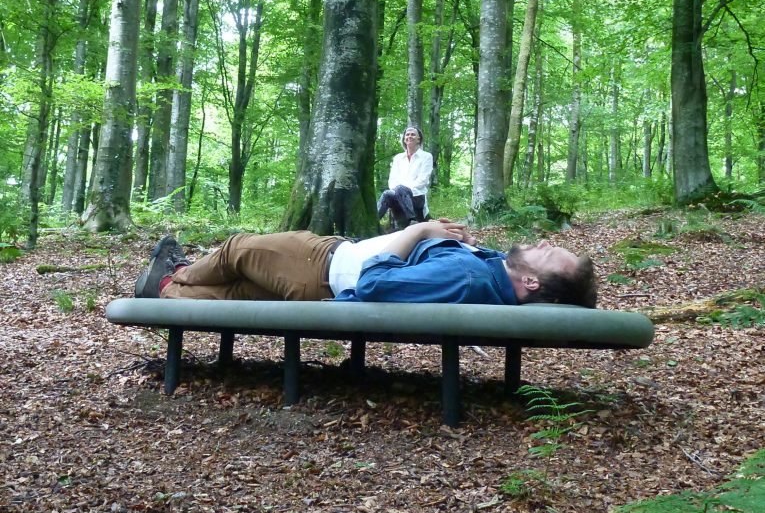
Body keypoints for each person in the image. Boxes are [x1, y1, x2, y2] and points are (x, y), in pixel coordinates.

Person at [134, 221, 597, 308]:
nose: (541, 242)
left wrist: (418, 231)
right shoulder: (489, 272)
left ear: (533, 281)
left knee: (237, 250)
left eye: (550, 252)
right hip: (322, 280)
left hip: (324, 266)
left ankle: (178, 274)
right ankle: (166, 294)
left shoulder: (470, 276)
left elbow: (376, 284)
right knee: (236, 293)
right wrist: (457, 242)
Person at [377, 126, 433, 228]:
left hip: (417, 196)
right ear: (404, 139)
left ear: (418, 139)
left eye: (413, 134)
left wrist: (403, 189)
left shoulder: (426, 156)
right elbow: (392, 180)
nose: (409, 136)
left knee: (400, 189)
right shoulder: (398, 158)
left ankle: (412, 220)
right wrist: (398, 191)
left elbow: (423, 180)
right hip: (397, 194)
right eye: (407, 134)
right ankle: (374, 223)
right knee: (386, 194)